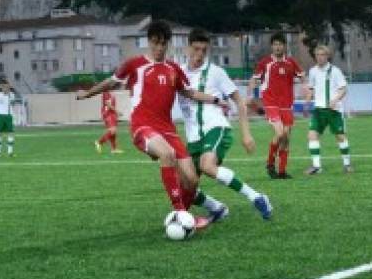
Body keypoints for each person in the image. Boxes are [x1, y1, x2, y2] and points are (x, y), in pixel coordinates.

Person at [78, 20, 224, 226]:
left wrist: (217, 100)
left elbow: (190, 93)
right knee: (167, 154)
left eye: (163, 44)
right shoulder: (135, 64)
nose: (159, 48)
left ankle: (186, 216)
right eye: (155, 43)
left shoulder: (173, 69)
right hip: (143, 126)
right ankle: (181, 213)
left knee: (191, 180)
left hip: (168, 130)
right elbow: (111, 82)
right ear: (149, 41)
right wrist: (87, 93)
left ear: (168, 44)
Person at [177, 29, 273, 221]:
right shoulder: (178, 72)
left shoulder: (216, 72)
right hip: (193, 137)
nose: (199, 54)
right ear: (187, 48)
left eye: (204, 50)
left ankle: (256, 197)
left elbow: (239, 101)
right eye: (196, 49)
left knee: (207, 165)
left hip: (216, 127)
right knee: (184, 187)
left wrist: (246, 134)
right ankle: (217, 208)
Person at [250, 32, 304, 179]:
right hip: (271, 103)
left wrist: (306, 87)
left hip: (287, 105)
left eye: (280, 44)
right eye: (275, 44)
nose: (277, 47)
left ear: (284, 46)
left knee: (286, 138)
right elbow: (254, 79)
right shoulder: (265, 63)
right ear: (271, 46)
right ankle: (269, 163)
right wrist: (251, 94)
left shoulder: (291, 63)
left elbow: (302, 76)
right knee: (280, 133)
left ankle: (281, 171)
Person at [304, 44, 352, 175]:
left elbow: (343, 89)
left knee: (340, 137)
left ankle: (347, 164)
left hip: (333, 110)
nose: (319, 58)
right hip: (318, 110)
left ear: (327, 56)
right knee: (312, 135)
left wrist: (335, 100)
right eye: (317, 55)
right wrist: (307, 102)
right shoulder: (313, 71)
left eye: (322, 55)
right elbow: (311, 88)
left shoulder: (335, 71)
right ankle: (317, 166)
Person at [0, 82, 16, 157]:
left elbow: (13, 103)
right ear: (1, 88)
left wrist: (9, 96)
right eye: (3, 87)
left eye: (7, 87)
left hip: (9, 116)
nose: (5, 89)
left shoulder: (11, 95)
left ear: (9, 88)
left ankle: (10, 153)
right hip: (0, 116)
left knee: (10, 133)